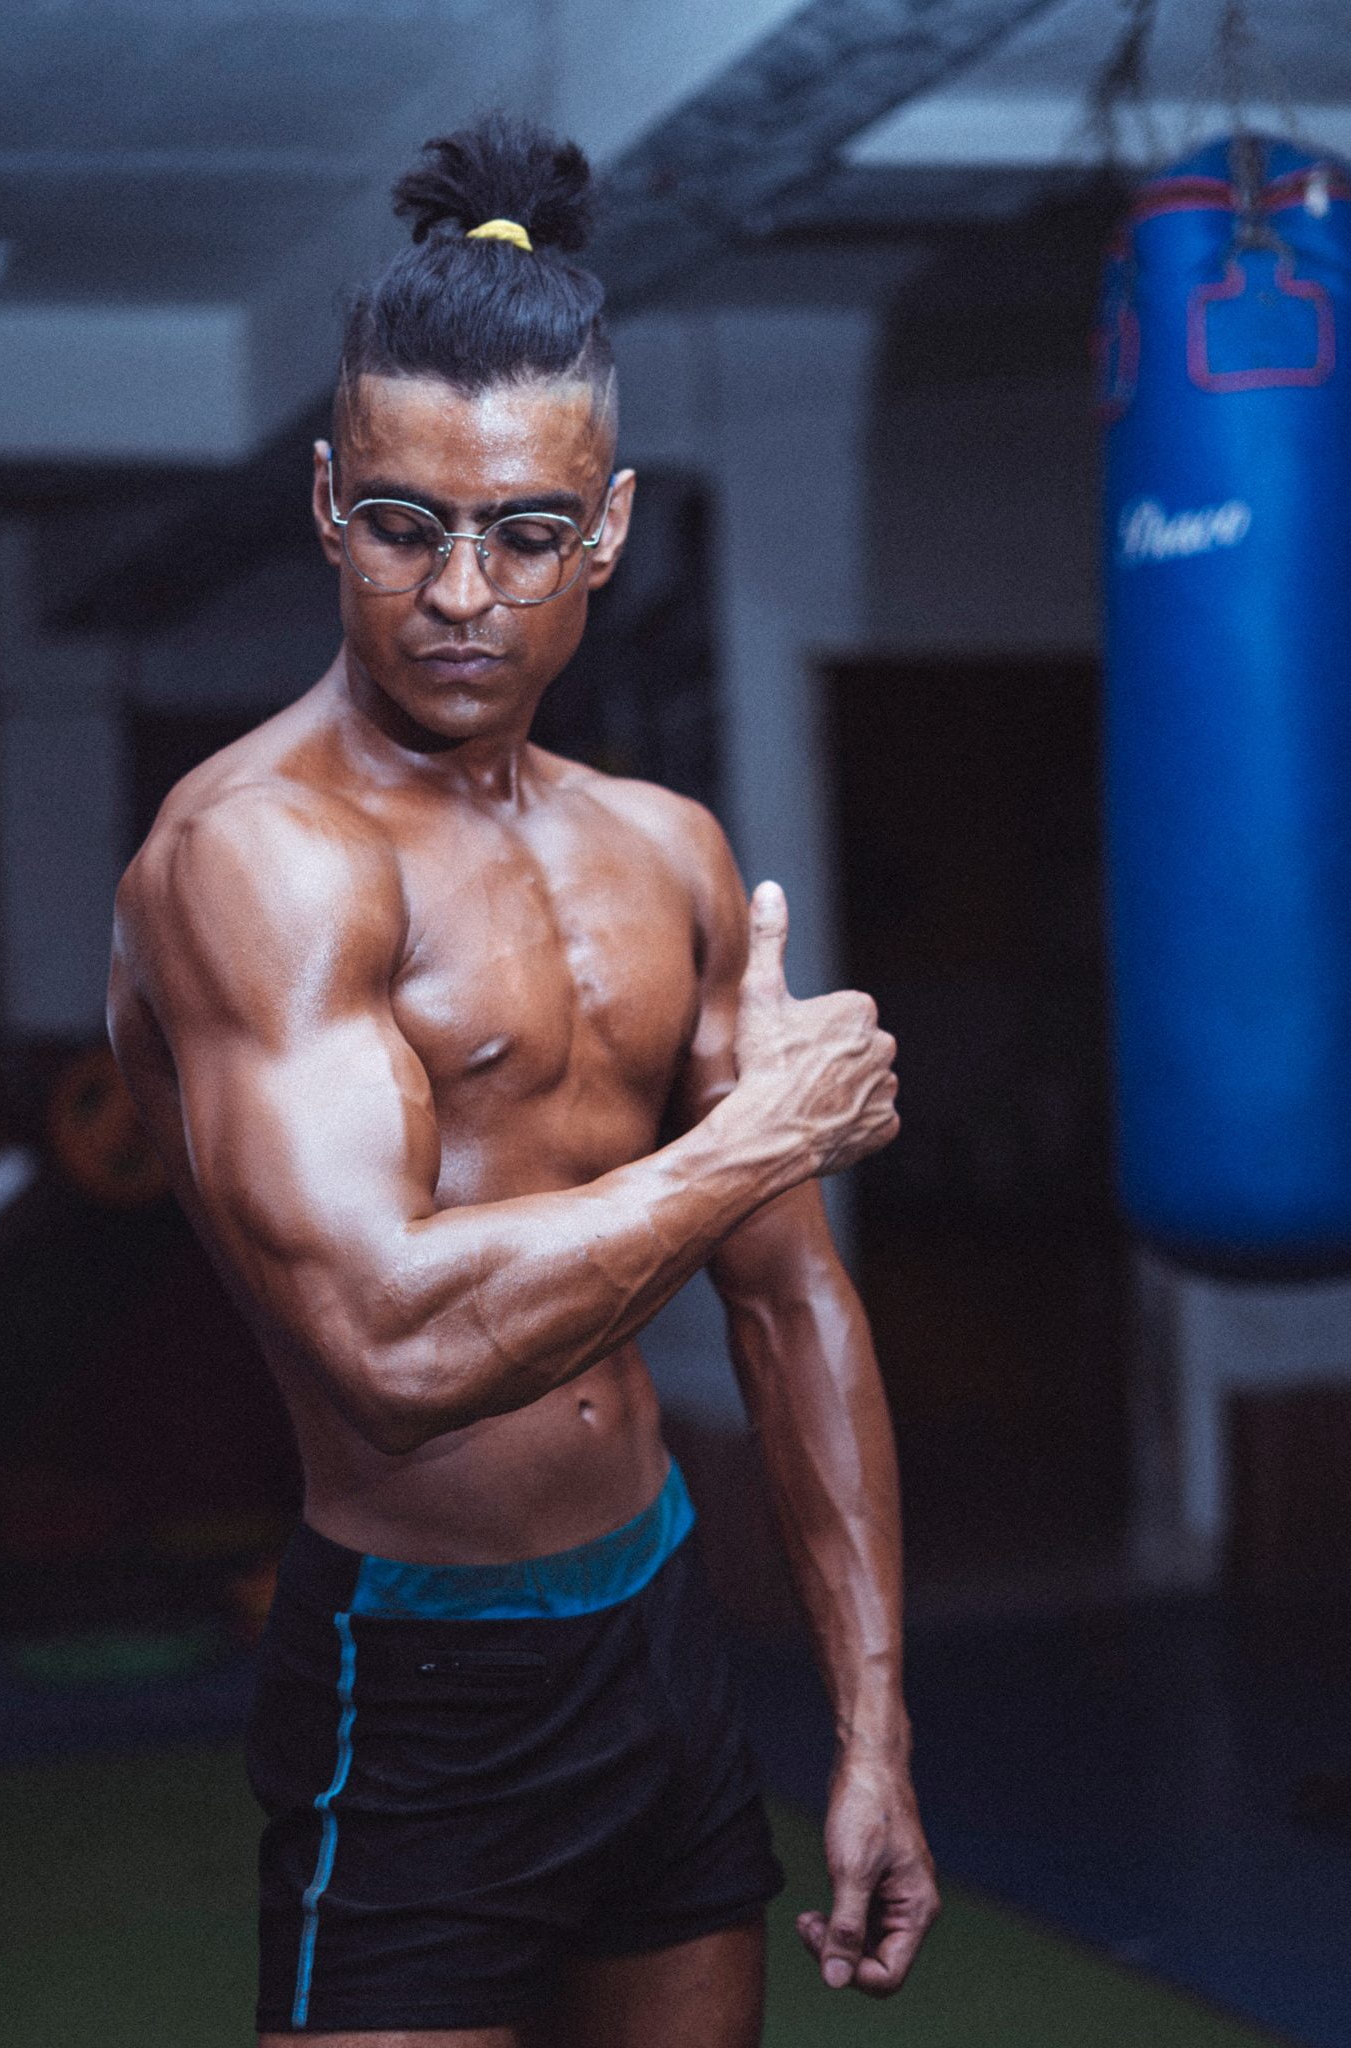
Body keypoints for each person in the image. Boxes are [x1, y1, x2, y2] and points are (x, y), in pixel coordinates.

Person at [108, 114, 937, 2048]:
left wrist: (873, 1727)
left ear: (608, 529)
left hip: (658, 1626)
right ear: (329, 505)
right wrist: (755, 1141)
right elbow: (389, 1356)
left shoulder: (664, 849)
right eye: (405, 523)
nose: (462, 591)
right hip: (418, 1673)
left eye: (526, 532)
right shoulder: (257, 860)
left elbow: (792, 1302)